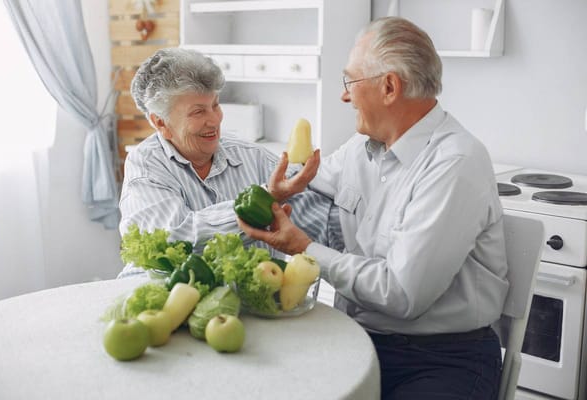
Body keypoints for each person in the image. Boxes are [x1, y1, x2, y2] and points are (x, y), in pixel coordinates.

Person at [239, 17, 508, 400]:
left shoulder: (455, 163)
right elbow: (308, 186)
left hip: (441, 359)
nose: (344, 96)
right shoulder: (361, 149)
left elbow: (401, 294)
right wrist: (285, 187)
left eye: (350, 81)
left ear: (389, 87)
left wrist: (303, 248)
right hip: (358, 340)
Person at [117, 47, 342, 278]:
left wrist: (365, 221)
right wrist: (265, 198)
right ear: (161, 123)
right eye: (198, 112)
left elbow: (315, 214)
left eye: (215, 104)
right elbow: (177, 239)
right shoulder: (146, 166)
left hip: (242, 307)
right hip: (161, 302)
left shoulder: (251, 156)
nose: (214, 120)